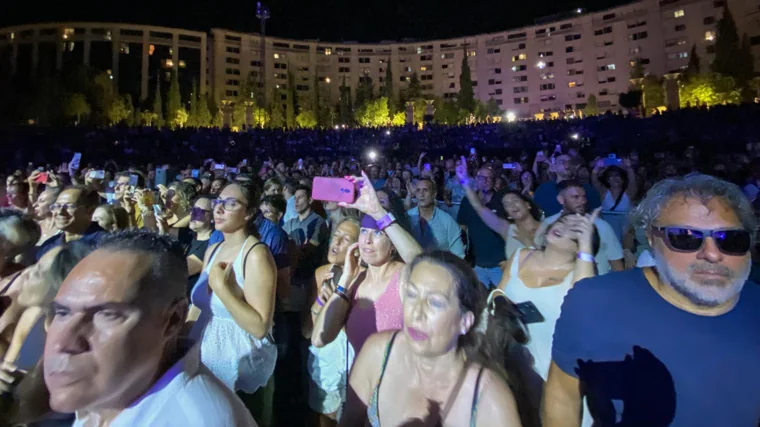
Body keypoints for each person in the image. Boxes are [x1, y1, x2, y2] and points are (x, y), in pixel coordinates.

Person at [543, 174, 760, 427]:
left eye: (731, 240)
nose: (712, 254)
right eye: (685, 237)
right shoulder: (595, 301)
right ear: (652, 238)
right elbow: (562, 397)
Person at [38, 230, 256, 426]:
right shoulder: (108, 393)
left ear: (172, 320)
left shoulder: (197, 420)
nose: (63, 342)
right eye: (63, 313)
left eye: (108, 315)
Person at [340, 251, 536, 427]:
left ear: (465, 322)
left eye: (435, 303)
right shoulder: (378, 351)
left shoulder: (487, 398)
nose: (417, 312)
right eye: (411, 294)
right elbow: (349, 421)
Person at [188, 182, 277, 417]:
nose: (219, 209)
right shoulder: (213, 249)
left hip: (240, 371)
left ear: (248, 213)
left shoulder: (256, 254)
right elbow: (199, 306)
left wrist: (221, 288)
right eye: (218, 202)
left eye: (230, 204)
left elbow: (259, 327)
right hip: (203, 364)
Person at [312, 171, 423, 361]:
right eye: (363, 231)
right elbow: (319, 339)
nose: (367, 241)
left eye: (378, 234)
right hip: (358, 385)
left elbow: (423, 265)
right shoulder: (354, 282)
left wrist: (377, 212)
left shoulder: (403, 277)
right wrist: (344, 282)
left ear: (393, 246)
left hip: (397, 386)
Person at [497, 210, 599, 381]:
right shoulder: (521, 256)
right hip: (508, 364)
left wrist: (586, 247)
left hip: (551, 372)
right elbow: (498, 294)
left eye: (574, 230)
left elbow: (584, 305)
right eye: (562, 222)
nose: (563, 227)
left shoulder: (580, 275)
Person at [306, 218, 361, 427]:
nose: (335, 242)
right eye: (335, 235)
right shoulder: (321, 274)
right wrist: (320, 301)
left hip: (353, 363)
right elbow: (308, 330)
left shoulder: (365, 279)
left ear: (357, 249)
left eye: (345, 239)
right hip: (326, 361)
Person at [458, 160, 542, 260]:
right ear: (509, 215)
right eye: (507, 204)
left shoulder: (548, 227)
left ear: (528, 205)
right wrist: (464, 180)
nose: (512, 205)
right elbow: (478, 207)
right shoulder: (509, 231)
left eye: (515, 200)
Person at [535, 180, 624, 275]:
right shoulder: (549, 223)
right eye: (575, 197)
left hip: (594, 284)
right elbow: (538, 252)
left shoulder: (602, 226)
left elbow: (617, 263)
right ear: (561, 200)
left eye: (583, 197)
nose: (582, 201)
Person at [456, 164, 508, 288]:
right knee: (479, 303)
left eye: (489, 178)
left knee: (504, 303)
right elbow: (462, 229)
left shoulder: (503, 201)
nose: (485, 181)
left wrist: (510, 260)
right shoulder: (467, 201)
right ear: (476, 179)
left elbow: (511, 231)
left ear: (495, 181)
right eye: (482, 177)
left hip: (500, 264)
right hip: (477, 265)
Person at [36, 186, 106, 262]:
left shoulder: (104, 244)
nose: (60, 212)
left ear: (90, 210)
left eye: (69, 206)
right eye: (57, 206)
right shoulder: (49, 245)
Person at [406, 178, 465, 258]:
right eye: (418, 190)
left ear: (434, 194)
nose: (421, 194)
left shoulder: (447, 221)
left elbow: (458, 255)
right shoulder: (407, 217)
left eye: (425, 190)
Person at [532, 154, 600, 217]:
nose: (567, 164)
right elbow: (536, 213)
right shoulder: (543, 190)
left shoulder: (586, 188)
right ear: (553, 168)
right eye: (562, 161)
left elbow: (596, 213)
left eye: (570, 162)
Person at [186, 196, 214, 295]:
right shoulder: (189, 235)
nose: (192, 214)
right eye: (192, 210)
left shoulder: (210, 245)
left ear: (212, 217)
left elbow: (181, 271)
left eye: (198, 212)